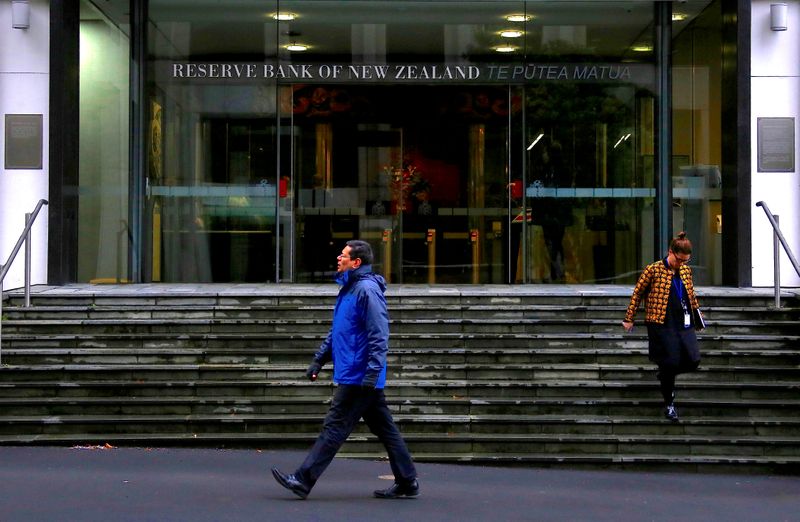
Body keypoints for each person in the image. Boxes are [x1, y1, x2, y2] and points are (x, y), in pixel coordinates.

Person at [271, 240, 419, 500]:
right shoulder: (350, 288)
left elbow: (379, 334)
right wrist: (319, 360)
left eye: (344, 255)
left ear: (357, 262)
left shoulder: (366, 290)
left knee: (334, 426)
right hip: (357, 373)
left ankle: (303, 479)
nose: (339, 258)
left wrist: (372, 373)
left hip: (360, 376)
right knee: (386, 429)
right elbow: (339, 331)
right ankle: (407, 481)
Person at [622, 232, 704, 422]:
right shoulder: (653, 270)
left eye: (685, 261)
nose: (681, 264)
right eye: (679, 260)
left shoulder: (685, 271)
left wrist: (697, 318)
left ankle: (665, 374)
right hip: (660, 322)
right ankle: (669, 403)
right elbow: (637, 293)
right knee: (670, 361)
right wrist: (629, 318)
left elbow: (691, 295)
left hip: (682, 320)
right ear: (670, 252)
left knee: (693, 359)